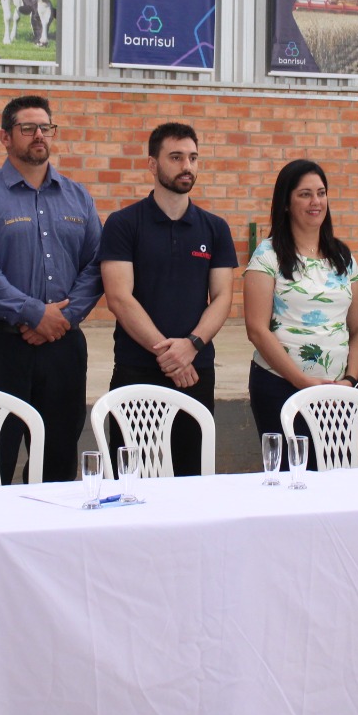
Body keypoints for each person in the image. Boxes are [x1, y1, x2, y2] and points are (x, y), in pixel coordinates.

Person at [0, 95, 101, 484]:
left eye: (46, 128)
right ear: (5, 137)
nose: (39, 135)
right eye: (28, 128)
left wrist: (61, 319)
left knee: (58, 459)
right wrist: (35, 313)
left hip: (63, 347)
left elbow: (96, 265)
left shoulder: (78, 196)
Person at [99, 122, 237, 475]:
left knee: (192, 478)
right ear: (152, 164)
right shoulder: (123, 223)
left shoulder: (215, 228)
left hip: (195, 371)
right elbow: (119, 297)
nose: (186, 166)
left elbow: (222, 297)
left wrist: (191, 346)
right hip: (137, 368)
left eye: (192, 157)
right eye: (175, 157)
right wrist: (169, 354)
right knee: (131, 479)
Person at [244, 159, 358, 443]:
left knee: (332, 477)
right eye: (305, 194)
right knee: (290, 477)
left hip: (337, 394)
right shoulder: (267, 256)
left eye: (321, 193)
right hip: (280, 386)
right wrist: (302, 383)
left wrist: (349, 381)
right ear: (286, 203)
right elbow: (256, 329)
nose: (316, 202)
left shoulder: (343, 257)